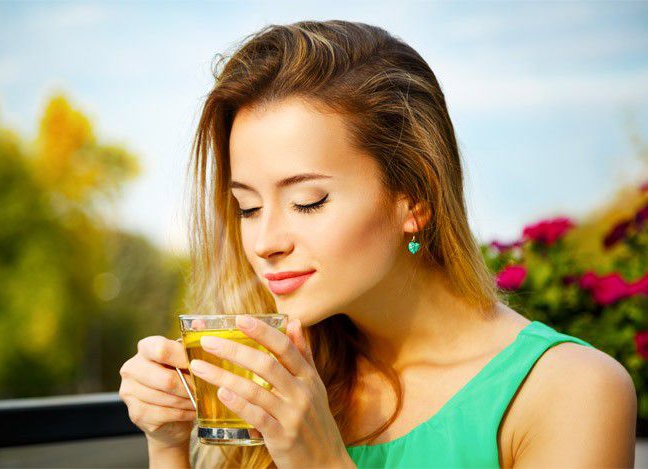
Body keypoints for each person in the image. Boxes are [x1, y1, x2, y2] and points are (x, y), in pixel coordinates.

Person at [119, 20, 637, 468]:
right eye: (247, 208)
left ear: (414, 199)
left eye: (308, 201)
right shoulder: (289, 378)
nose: (265, 242)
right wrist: (168, 445)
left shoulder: (570, 392)